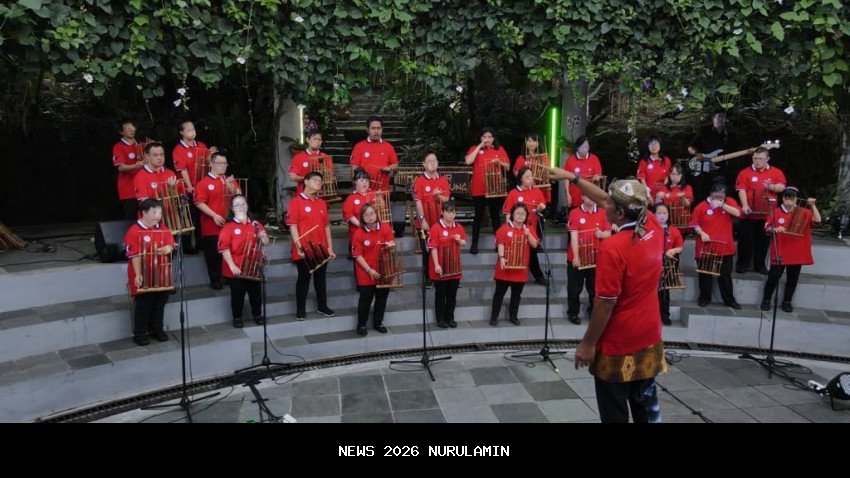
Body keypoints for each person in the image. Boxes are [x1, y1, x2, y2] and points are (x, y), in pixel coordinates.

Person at [549, 166, 666, 423]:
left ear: (620, 213)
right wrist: (573, 178)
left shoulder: (613, 247)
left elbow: (605, 303)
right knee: (646, 409)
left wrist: (588, 343)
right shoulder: (653, 226)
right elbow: (604, 199)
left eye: (611, 203)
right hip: (648, 335)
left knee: (615, 413)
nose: (605, 203)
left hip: (618, 343)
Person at [761, 188, 820, 313]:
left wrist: (813, 206)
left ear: (796, 199)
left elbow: (818, 220)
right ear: (783, 198)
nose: (788, 201)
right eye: (786, 198)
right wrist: (775, 229)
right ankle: (766, 300)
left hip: (797, 251)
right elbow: (767, 227)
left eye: (791, 199)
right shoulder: (775, 211)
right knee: (773, 277)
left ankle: (787, 301)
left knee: (793, 278)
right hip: (780, 250)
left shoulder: (803, 211)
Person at [286, 171, 336, 320]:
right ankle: (300, 309)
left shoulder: (321, 203)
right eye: (315, 180)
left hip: (321, 247)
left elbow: (326, 226)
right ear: (306, 182)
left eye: (320, 182)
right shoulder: (295, 202)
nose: (318, 183)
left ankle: (322, 306)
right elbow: (293, 226)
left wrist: (330, 247)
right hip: (305, 248)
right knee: (304, 278)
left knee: (321, 279)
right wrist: (298, 246)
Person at [125, 199, 175, 346]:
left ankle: (157, 329)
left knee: (160, 302)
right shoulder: (134, 231)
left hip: (161, 273)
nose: (158, 216)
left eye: (160, 212)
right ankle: (140, 333)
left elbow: (171, 244)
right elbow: (134, 255)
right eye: (154, 212)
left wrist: (168, 248)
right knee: (144, 304)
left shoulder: (163, 229)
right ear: (144, 213)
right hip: (142, 273)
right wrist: (138, 274)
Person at [219, 194, 269, 328]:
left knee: (256, 294)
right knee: (237, 295)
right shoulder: (228, 227)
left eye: (243, 204)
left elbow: (265, 241)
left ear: (247, 206)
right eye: (237, 205)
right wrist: (232, 266)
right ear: (232, 208)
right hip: (236, 267)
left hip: (253, 266)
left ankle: (257, 315)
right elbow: (224, 249)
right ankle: (237, 317)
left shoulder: (256, 224)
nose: (241, 207)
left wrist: (262, 236)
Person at [690, 182, 742, 309]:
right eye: (716, 196)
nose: (719, 198)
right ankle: (704, 297)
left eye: (722, 196)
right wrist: (701, 233)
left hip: (724, 246)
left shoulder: (728, 202)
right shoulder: (701, 206)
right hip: (706, 246)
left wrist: (722, 205)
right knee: (705, 274)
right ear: (711, 194)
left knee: (725, 275)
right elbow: (693, 224)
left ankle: (729, 300)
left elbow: (738, 213)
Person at [735, 147, 786, 274]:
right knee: (745, 241)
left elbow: (782, 187)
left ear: (767, 159)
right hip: (749, 215)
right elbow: (741, 189)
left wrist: (770, 186)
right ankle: (742, 264)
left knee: (763, 243)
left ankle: (760, 266)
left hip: (767, 215)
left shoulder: (775, 172)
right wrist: (744, 205)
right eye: (755, 158)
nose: (757, 161)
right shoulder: (745, 172)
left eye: (760, 158)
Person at [195, 152, 241, 290]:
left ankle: (227, 276)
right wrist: (214, 215)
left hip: (229, 225)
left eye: (224, 163)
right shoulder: (204, 182)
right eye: (219, 163)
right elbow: (199, 202)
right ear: (212, 164)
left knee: (229, 252)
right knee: (213, 254)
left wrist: (230, 186)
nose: (223, 166)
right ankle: (215, 279)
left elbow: (239, 198)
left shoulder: (230, 180)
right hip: (211, 226)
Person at [490, 203, 539, 326]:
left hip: (521, 268)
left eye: (523, 214)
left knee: (517, 294)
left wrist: (528, 235)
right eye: (517, 213)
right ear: (512, 214)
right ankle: (494, 317)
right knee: (499, 293)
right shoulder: (504, 228)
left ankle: (513, 316)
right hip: (505, 267)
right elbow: (500, 244)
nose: (520, 216)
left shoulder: (528, 229)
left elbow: (535, 244)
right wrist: (501, 257)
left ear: (526, 215)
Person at [351, 204, 395, 336]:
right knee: (365, 300)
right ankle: (361, 325)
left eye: (371, 213)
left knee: (382, 299)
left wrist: (390, 246)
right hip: (366, 273)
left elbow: (392, 246)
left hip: (383, 270)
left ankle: (378, 323)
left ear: (376, 214)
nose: (369, 217)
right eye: (366, 215)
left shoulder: (386, 227)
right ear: (362, 218)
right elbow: (357, 255)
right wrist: (369, 270)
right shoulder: (358, 233)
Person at [566, 194, 612, 324]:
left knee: (594, 289)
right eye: (587, 196)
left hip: (596, 258)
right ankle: (573, 313)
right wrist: (575, 256)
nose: (591, 198)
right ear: (582, 197)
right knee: (574, 289)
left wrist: (601, 234)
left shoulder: (603, 212)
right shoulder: (574, 212)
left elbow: (608, 233)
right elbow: (573, 236)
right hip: (578, 257)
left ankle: (593, 312)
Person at [172, 120, 216, 254]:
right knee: (188, 215)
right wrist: (190, 186)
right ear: (181, 133)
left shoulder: (201, 145)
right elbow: (182, 170)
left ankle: (200, 243)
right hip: (187, 188)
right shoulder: (178, 149)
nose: (192, 132)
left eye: (193, 129)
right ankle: (186, 245)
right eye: (188, 130)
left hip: (202, 187)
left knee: (200, 215)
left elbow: (207, 165)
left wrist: (210, 157)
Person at [466, 127, 510, 254]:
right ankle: (474, 244)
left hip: (495, 189)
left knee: (495, 217)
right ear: (481, 138)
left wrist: (499, 162)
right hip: (479, 188)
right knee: (478, 216)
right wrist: (479, 146)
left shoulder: (499, 149)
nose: (487, 139)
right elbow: (468, 161)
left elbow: (507, 167)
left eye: (489, 137)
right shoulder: (475, 148)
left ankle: (499, 244)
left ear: (493, 139)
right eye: (484, 137)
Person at [412, 152, 451, 287]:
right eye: (429, 161)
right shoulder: (419, 181)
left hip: (441, 223)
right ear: (423, 164)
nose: (432, 163)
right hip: (425, 223)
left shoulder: (443, 180)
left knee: (443, 249)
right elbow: (418, 202)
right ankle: (427, 278)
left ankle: (444, 275)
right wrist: (422, 219)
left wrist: (438, 196)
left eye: (434, 160)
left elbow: (446, 199)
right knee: (427, 251)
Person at [503, 167, 547, 284]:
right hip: (517, 228)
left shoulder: (537, 191)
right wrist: (509, 228)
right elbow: (508, 213)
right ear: (521, 179)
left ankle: (539, 276)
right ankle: (509, 276)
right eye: (527, 177)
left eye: (531, 176)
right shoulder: (513, 193)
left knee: (533, 253)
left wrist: (541, 208)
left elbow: (542, 205)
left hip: (532, 228)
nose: (530, 179)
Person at [428, 201, 466, 328]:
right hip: (441, 267)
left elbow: (464, 243)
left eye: (453, 212)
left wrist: (459, 240)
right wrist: (436, 265)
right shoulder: (435, 227)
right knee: (440, 295)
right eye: (448, 212)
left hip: (454, 267)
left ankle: (450, 318)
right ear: (442, 212)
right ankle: (440, 319)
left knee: (452, 295)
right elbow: (433, 247)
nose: (451, 215)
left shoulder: (458, 227)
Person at [687, 110, 735, 201]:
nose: (720, 119)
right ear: (713, 118)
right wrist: (697, 155)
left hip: (720, 171)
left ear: (726, 119)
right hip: (704, 169)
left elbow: (734, 151)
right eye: (718, 117)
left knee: (719, 193)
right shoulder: (704, 132)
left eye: (723, 117)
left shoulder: (729, 136)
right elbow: (690, 147)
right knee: (703, 195)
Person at [349, 116, 399, 193]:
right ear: (368, 130)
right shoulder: (359, 146)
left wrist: (389, 168)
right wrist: (355, 185)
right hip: (364, 190)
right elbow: (354, 167)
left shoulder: (388, 146)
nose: (376, 131)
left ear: (382, 129)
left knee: (382, 205)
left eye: (378, 128)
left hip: (382, 189)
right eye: (373, 128)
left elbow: (395, 164)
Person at [655, 203, 684, 325]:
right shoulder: (648, 228)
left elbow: (680, 246)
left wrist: (673, 250)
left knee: (664, 291)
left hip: (667, 263)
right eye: (659, 213)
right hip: (651, 264)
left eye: (664, 213)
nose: (662, 216)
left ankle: (664, 315)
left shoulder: (673, 230)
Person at [112, 119, 145, 220]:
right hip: (128, 189)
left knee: (146, 216)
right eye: (127, 128)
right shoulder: (118, 146)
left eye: (132, 126)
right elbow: (121, 167)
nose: (131, 129)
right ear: (121, 132)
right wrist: (136, 165)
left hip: (144, 187)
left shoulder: (142, 145)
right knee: (131, 218)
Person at [133, 142, 181, 206]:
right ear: (147, 156)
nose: (160, 158)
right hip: (152, 214)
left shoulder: (170, 173)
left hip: (171, 214)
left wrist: (171, 188)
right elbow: (145, 203)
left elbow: (177, 200)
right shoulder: (140, 176)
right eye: (155, 155)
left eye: (162, 154)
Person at [562, 135, 603, 209]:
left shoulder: (594, 159)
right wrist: (568, 195)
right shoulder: (570, 159)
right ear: (577, 147)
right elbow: (566, 178)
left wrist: (597, 177)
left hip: (590, 197)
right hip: (574, 195)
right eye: (582, 147)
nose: (584, 149)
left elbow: (598, 175)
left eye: (586, 147)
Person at [341, 170, 376, 257]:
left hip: (374, 231)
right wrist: (362, 225)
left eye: (367, 181)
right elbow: (348, 215)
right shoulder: (351, 198)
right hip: (358, 231)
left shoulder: (374, 195)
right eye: (361, 180)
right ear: (355, 182)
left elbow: (382, 210)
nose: (365, 183)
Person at [513, 133, 552, 206]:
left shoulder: (543, 157)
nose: (531, 143)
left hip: (542, 189)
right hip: (526, 189)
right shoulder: (521, 158)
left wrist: (544, 169)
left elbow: (548, 174)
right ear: (526, 143)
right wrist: (528, 179)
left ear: (538, 144)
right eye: (529, 141)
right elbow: (516, 173)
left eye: (534, 141)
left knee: (541, 211)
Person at [655, 163, 694, 235]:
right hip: (667, 220)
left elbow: (688, 204)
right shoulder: (664, 187)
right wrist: (658, 196)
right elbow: (657, 204)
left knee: (679, 243)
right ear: (669, 175)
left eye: (678, 174)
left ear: (681, 175)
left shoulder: (687, 187)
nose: (675, 177)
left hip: (681, 221)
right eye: (673, 174)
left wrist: (683, 197)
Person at [288, 129, 327, 196]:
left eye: (319, 140)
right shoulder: (299, 157)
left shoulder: (325, 157)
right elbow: (292, 177)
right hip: (303, 196)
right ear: (308, 140)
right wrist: (309, 178)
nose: (317, 141)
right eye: (315, 139)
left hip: (322, 196)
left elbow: (330, 176)